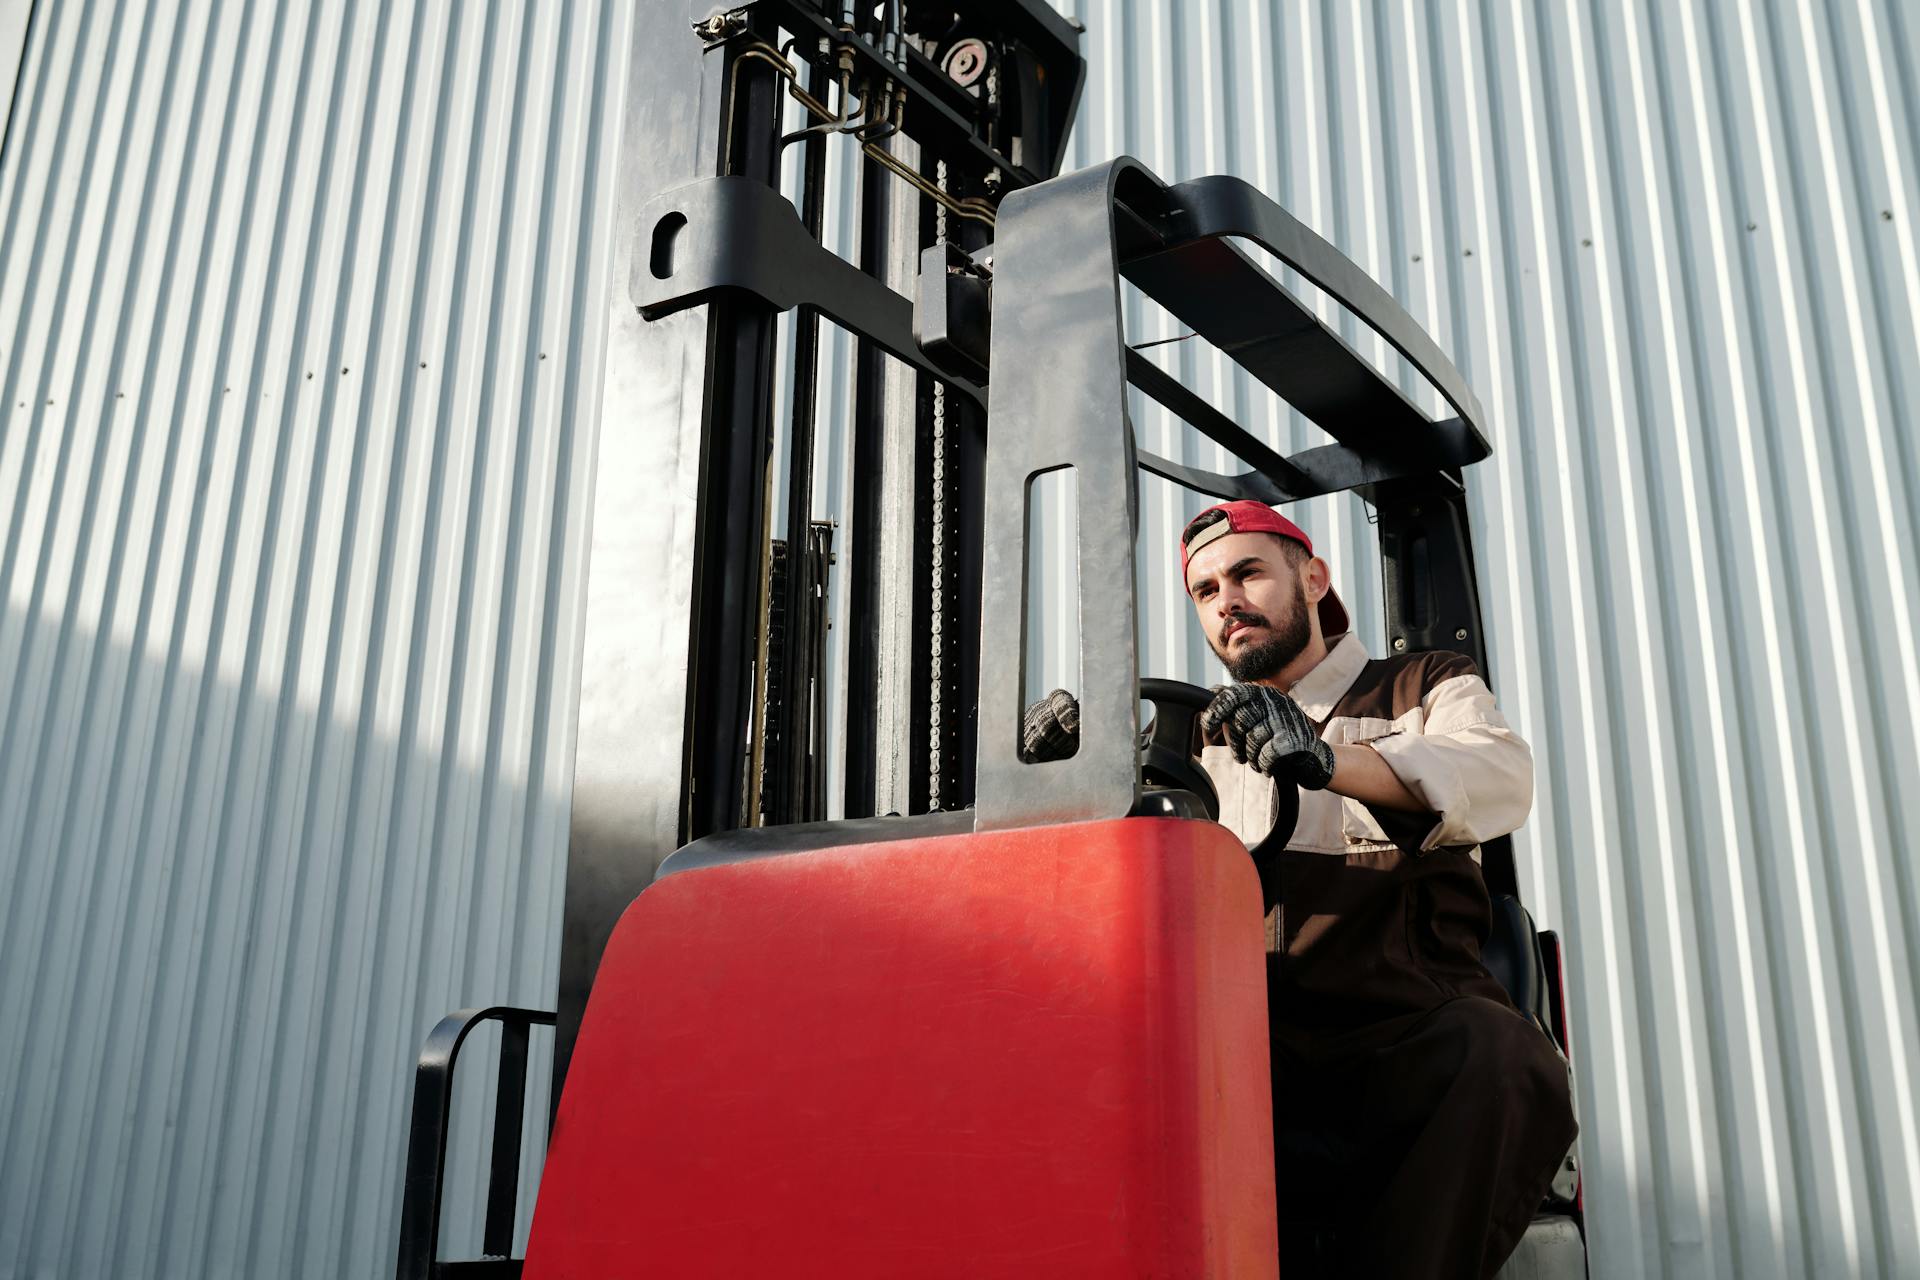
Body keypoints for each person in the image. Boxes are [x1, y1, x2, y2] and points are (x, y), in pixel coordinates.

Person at [1020, 500, 1576, 1280]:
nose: (1228, 602)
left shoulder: (1420, 686)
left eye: (1248, 574)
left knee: (1499, 1054)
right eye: (1207, 591)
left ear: (1312, 578)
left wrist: (1324, 758)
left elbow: (1498, 776)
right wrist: (1055, 779)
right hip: (1246, 1066)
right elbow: (1102, 892)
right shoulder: (1189, 743)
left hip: (1395, 1046)